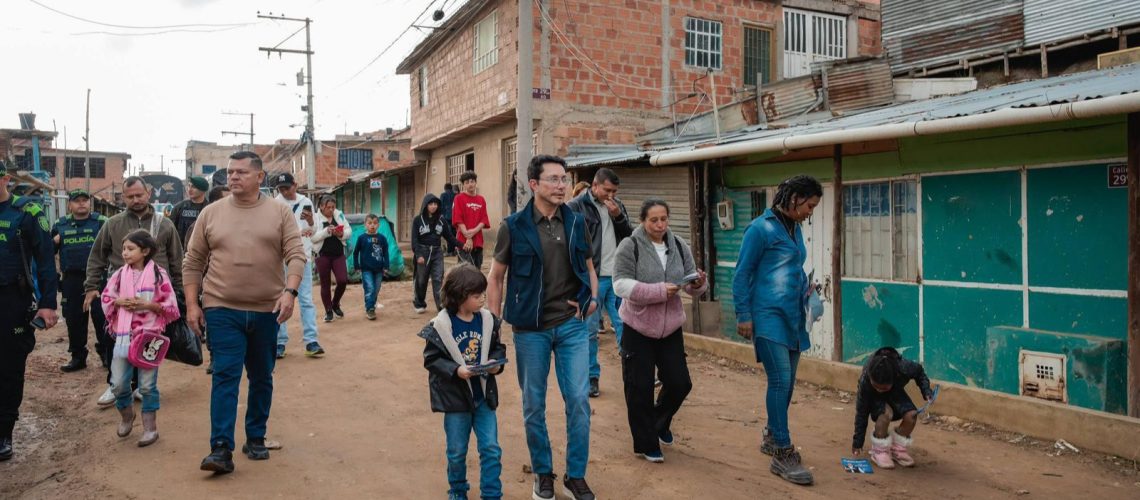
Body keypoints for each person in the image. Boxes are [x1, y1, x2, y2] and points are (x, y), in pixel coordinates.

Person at [183, 151, 306, 474]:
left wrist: (290, 293)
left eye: (241, 172)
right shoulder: (211, 214)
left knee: (262, 377)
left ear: (259, 177)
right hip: (222, 307)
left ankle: (256, 437)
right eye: (230, 172)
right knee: (225, 375)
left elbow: (296, 255)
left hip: (268, 310)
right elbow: (193, 262)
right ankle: (221, 448)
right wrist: (193, 305)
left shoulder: (279, 213)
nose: (233, 177)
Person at [487, 154, 599, 500]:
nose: (561, 185)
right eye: (553, 179)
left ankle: (575, 475)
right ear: (533, 184)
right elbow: (495, 278)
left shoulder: (577, 222)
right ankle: (543, 472)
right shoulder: (515, 226)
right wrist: (494, 328)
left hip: (571, 327)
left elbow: (590, 266)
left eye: (564, 179)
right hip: (530, 330)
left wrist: (592, 299)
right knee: (534, 404)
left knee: (579, 400)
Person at [732, 174, 822, 486]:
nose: (811, 211)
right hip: (767, 315)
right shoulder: (761, 228)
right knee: (780, 379)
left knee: (789, 382)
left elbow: (791, 268)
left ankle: (772, 435)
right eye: (809, 205)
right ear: (794, 198)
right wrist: (743, 314)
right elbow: (741, 273)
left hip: (794, 317)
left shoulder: (794, 228)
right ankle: (783, 452)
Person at [611, 198, 706, 463]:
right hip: (637, 327)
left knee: (680, 382)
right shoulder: (629, 246)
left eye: (664, 219)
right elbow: (620, 285)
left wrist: (698, 282)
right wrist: (658, 291)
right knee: (639, 387)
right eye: (654, 220)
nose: (660, 224)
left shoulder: (678, 244)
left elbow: (689, 282)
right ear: (643, 221)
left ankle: (659, 422)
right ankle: (646, 443)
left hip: (671, 328)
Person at [84, 176, 183, 408]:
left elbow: (176, 261)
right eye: (130, 197)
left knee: (148, 338)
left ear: (148, 193)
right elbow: (97, 257)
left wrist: (178, 294)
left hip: (154, 296)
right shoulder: (113, 224)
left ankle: (142, 386)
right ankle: (116, 384)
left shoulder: (164, 224)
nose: (136, 200)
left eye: (139, 195)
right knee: (117, 338)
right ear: (123, 197)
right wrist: (91, 287)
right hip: (121, 295)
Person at [419, 264, 506, 500]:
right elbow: (431, 359)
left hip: (484, 398)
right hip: (456, 401)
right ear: (459, 296)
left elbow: (497, 348)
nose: (482, 300)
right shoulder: (441, 326)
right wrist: (456, 370)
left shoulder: (487, 321)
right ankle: (458, 490)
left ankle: (492, 493)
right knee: (457, 451)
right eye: (476, 296)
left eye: (482, 295)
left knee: (490, 448)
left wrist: (496, 363)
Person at [0, 163, 59, 462]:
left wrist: (48, 302)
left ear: (5, 180)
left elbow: (46, 259)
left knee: (9, 367)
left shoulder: (27, 213)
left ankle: (4, 431)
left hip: (12, 300)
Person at [100, 229, 180, 447]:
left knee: (147, 386)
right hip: (123, 338)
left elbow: (171, 307)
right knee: (117, 384)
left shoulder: (158, 275)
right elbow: (106, 297)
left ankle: (150, 428)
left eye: (130, 249)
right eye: (124, 248)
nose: (125, 253)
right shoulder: (118, 275)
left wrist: (148, 305)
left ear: (145, 251)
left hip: (149, 338)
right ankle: (127, 415)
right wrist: (119, 302)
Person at [565, 168, 633, 398]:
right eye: (607, 190)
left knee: (625, 326)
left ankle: (632, 375)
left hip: (618, 278)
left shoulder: (617, 206)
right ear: (595, 186)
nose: (611, 195)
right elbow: (568, 243)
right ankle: (591, 377)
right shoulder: (576, 207)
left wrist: (618, 217)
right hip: (590, 279)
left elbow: (629, 237)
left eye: (614, 191)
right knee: (590, 331)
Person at [53, 189, 109, 373]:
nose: (82, 203)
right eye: (77, 201)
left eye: (85, 200)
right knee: (74, 319)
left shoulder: (101, 222)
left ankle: (107, 355)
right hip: (72, 279)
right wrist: (54, 242)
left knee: (103, 317)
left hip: (99, 278)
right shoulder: (60, 225)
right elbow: (47, 253)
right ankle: (78, 357)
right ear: (70, 204)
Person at [852, 347, 932, 469]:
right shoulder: (866, 382)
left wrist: (926, 390)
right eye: (876, 385)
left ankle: (897, 449)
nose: (879, 389)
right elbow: (861, 413)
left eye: (883, 387)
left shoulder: (904, 367)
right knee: (885, 414)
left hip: (895, 391)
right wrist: (858, 442)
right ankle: (879, 450)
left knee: (912, 415)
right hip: (874, 397)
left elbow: (919, 372)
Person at [273, 173, 323, 358]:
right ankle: (279, 342)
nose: (284, 191)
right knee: (280, 300)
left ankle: (311, 340)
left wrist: (310, 223)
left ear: (295, 185)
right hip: (281, 259)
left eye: (287, 187)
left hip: (303, 257)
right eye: (281, 189)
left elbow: (315, 228)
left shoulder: (306, 201)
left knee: (306, 300)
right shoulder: (275, 204)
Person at [412, 193, 457, 314]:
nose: (433, 206)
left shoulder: (441, 221)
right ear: (425, 205)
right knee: (421, 280)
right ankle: (419, 302)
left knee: (438, 279)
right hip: (423, 252)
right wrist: (419, 254)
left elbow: (450, 237)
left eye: (435, 204)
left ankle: (441, 306)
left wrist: (462, 245)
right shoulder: (417, 220)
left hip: (437, 252)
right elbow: (414, 240)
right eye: (430, 204)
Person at [312, 195, 352, 322]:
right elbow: (312, 238)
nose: (331, 209)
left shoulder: (339, 215)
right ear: (321, 206)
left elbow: (349, 231)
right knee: (325, 284)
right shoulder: (315, 218)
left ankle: (335, 303)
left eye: (333, 207)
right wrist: (326, 232)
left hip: (338, 254)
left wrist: (341, 234)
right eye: (328, 207)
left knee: (342, 280)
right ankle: (328, 310)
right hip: (322, 255)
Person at [353, 214, 390, 320]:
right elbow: (356, 253)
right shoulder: (361, 238)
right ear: (365, 225)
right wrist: (357, 266)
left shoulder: (382, 238)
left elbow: (386, 253)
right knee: (370, 288)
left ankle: (371, 304)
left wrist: (386, 266)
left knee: (376, 289)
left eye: (374, 223)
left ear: (378, 225)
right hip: (366, 269)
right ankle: (370, 309)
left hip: (379, 269)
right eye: (369, 223)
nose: (372, 225)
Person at [452, 172, 490, 269]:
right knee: (465, 272)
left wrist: (473, 232)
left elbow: (484, 219)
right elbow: (458, 219)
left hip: (478, 241)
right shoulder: (458, 198)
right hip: (463, 243)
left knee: (477, 272)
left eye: (472, 181)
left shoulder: (481, 199)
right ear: (463, 185)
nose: (470, 184)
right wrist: (468, 237)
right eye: (467, 182)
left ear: (476, 182)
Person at [169, 176, 210, 248]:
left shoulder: (210, 209)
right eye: (189, 186)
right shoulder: (179, 207)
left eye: (193, 187)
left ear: (203, 190)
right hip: (181, 250)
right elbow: (170, 230)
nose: (189, 189)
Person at [439, 182, 457, 256]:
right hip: (455, 217)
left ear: (445, 188)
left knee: (448, 234)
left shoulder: (443, 195)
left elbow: (441, 206)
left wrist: (441, 215)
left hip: (446, 217)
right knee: (454, 234)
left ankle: (449, 251)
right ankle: (454, 251)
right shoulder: (455, 195)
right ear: (451, 188)